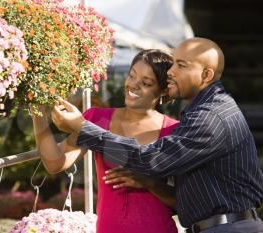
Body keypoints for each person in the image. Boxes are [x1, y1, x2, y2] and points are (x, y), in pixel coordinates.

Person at [51, 37, 263, 233]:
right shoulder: (203, 110)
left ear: (206, 75)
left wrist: (82, 127)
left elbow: (149, 160)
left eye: (181, 65)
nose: (170, 71)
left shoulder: (210, 117)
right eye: (173, 64)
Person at [32, 49, 180, 233]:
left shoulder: (174, 131)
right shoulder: (97, 119)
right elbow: (55, 163)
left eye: (146, 83)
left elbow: (183, 201)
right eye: (132, 76)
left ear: (163, 90)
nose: (133, 85)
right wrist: (37, 111)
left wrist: (151, 183)